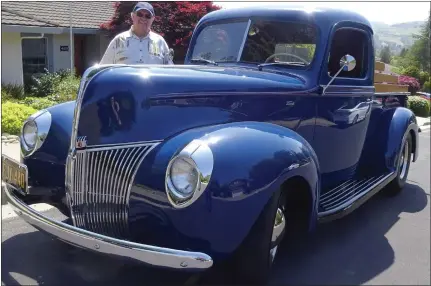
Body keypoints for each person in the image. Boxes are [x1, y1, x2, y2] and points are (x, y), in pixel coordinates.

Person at [99, 2, 173, 65]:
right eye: (140, 14)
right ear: (133, 16)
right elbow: (104, 67)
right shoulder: (118, 40)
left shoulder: (160, 42)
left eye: (148, 16)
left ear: (152, 19)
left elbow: (170, 71)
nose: (143, 18)